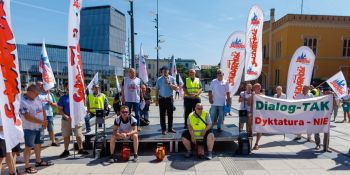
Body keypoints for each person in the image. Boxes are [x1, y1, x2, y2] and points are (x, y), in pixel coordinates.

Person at [19, 84, 53, 174]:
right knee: (28, 147)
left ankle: (38, 161)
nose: (38, 95)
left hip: (39, 126)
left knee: (38, 144)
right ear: (29, 92)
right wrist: (41, 122)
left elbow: (42, 109)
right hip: (29, 128)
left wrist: (45, 121)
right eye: (36, 93)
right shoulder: (22, 101)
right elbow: (27, 117)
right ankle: (27, 165)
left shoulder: (37, 98)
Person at [58, 83, 89, 158]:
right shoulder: (63, 98)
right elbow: (60, 109)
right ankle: (66, 150)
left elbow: (82, 107)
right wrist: (64, 115)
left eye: (71, 89)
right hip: (66, 119)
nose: (69, 90)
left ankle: (80, 148)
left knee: (78, 135)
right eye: (68, 89)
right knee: (66, 135)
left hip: (76, 119)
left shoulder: (77, 97)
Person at [155, 66, 178, 135]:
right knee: (162, 115)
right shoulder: (159, 79)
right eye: (163, 70)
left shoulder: (172, 78)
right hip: (162, 99)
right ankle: (163, 129)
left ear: (168, 71)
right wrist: (156, 100)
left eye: (166, 70)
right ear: (162, 71)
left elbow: (175, 88)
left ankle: (170, 128)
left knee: (170, 114)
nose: (164, 71)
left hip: (169, 98)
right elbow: (156, 90)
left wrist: (169, 83)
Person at [36, 81, 59, 146]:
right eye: (42, 86)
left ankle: (53, 141)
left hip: (49, 114)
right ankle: (39, 143)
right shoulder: (38, 95)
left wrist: (51, 103)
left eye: (45, 86)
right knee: (41, 130)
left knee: (51, 129)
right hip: (41, 115)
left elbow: (55, 105)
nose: (43, 87)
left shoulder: (51, 94)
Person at [247, 83, 263, 150]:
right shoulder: (251, 95)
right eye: (257, 87)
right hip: (253, 114)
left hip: (260, 115)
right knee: (249, 126)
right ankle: (250, 135)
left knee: (259, 129)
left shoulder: (263, 96)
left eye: (259, 87)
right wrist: (252, 96)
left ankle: (256, 144)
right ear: (254, 88)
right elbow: (248, 104)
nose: (259, 88)